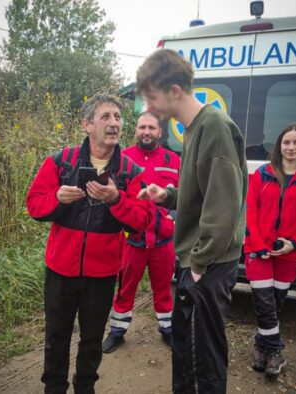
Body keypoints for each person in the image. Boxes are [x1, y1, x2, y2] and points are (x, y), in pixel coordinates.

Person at [136, 48, 248, 393]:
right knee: (185, 349)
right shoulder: (194, 127)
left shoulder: (213, 125)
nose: (150, 108)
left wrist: (199, 263)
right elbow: (199, 189)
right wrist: (166, 195)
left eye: (152, 98)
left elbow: (224, 203)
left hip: (207, 263)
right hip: (195, 259)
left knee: (204, 358)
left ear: (174, 91)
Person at [26, 93, 153, 393]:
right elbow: (33, 204)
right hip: (60, 269)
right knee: (56, 337)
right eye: (106, 117)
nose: (114, 123)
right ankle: (53, 388)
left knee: (92, 340)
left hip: (102, 273)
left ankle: (85, 388)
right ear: (87, 124)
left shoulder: (131, 173)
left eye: (118, 117)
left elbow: (143, 221)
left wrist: (117, 199)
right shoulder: (60, 162)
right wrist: (56, 198)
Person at [244, 123, 296, 378]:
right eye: (286, 142)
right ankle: (276, 350)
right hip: (259, 251)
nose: (290, 147)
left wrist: (294, 242)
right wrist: (259, 245)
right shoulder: (262, 174)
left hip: (290, 252)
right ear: (279, 146)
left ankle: (261, 347)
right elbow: (251, 213)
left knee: (275, 304)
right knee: (264, 302)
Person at [102, 111, 180, 353]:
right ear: (135, 130)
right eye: (142, 127)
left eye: (152, 128)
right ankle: (117, 331)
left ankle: (168, 330)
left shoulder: (173, 160)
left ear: (160, 132)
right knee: (125, 288)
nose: (146, 131)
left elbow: (185, 193)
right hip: (132, 240)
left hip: (163, 239)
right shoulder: (122, 159)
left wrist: (175, 218)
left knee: (163, 287)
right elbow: (113, 196)